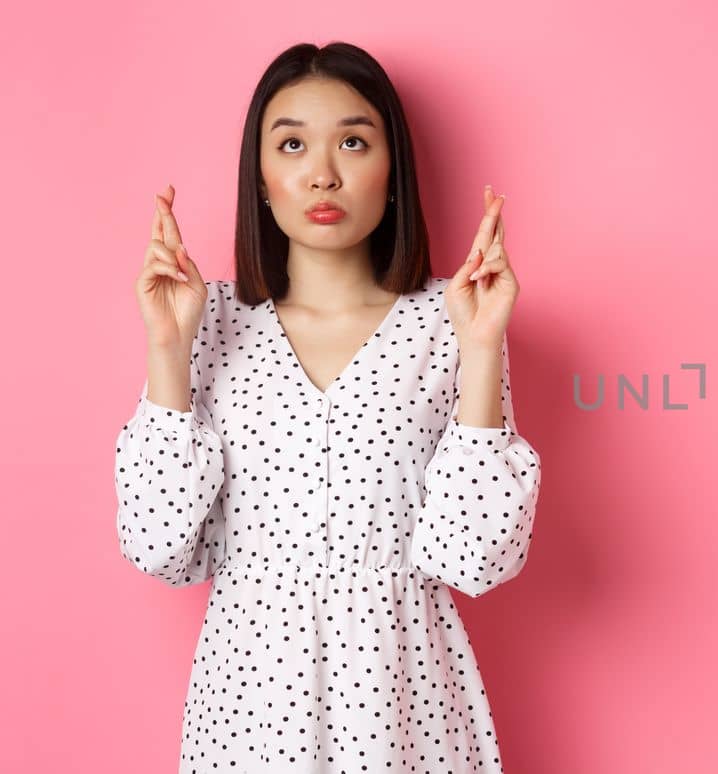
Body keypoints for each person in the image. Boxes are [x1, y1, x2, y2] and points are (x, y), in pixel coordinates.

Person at [114, 41, 541, 773]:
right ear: (261, 177)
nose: (322, 172)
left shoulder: (452, 320)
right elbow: (158, 545)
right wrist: (167, 349)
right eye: (291, 144)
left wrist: (481, 348)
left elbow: (474, 558)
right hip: (250, 706)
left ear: (393, 171)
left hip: (404, 701)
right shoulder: (207, 321)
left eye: (352, 140)